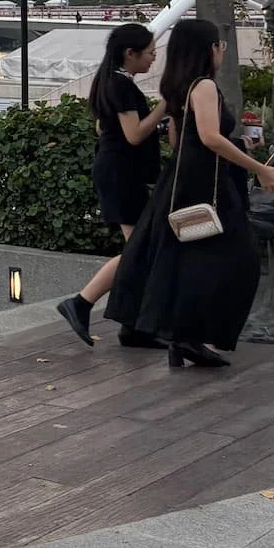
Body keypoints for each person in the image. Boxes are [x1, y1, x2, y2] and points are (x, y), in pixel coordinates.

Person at [105, 17, 274, 368]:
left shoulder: (181, 86)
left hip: (184, 180)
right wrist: (260, 167)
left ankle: (184, 338)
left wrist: (235, 145)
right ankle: (190, 337)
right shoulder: (203, 86)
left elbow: (178, 139)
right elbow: (208, 137)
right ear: (208, 50)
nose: (222, 51)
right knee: (240, 260)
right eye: (219, 45)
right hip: (207, 184)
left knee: (192, 261)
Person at [57, 24, 169, 348]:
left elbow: (108, 129)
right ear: (129, 53)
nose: (153, 59)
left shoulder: (112, 81)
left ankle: (131, 325)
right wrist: (165, 105)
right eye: (149, 53)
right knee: (139, 250)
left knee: (140, 251)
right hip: (122, 174)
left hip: (119, 171)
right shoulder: (120, 85)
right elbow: (134, 134)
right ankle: (81, 302)